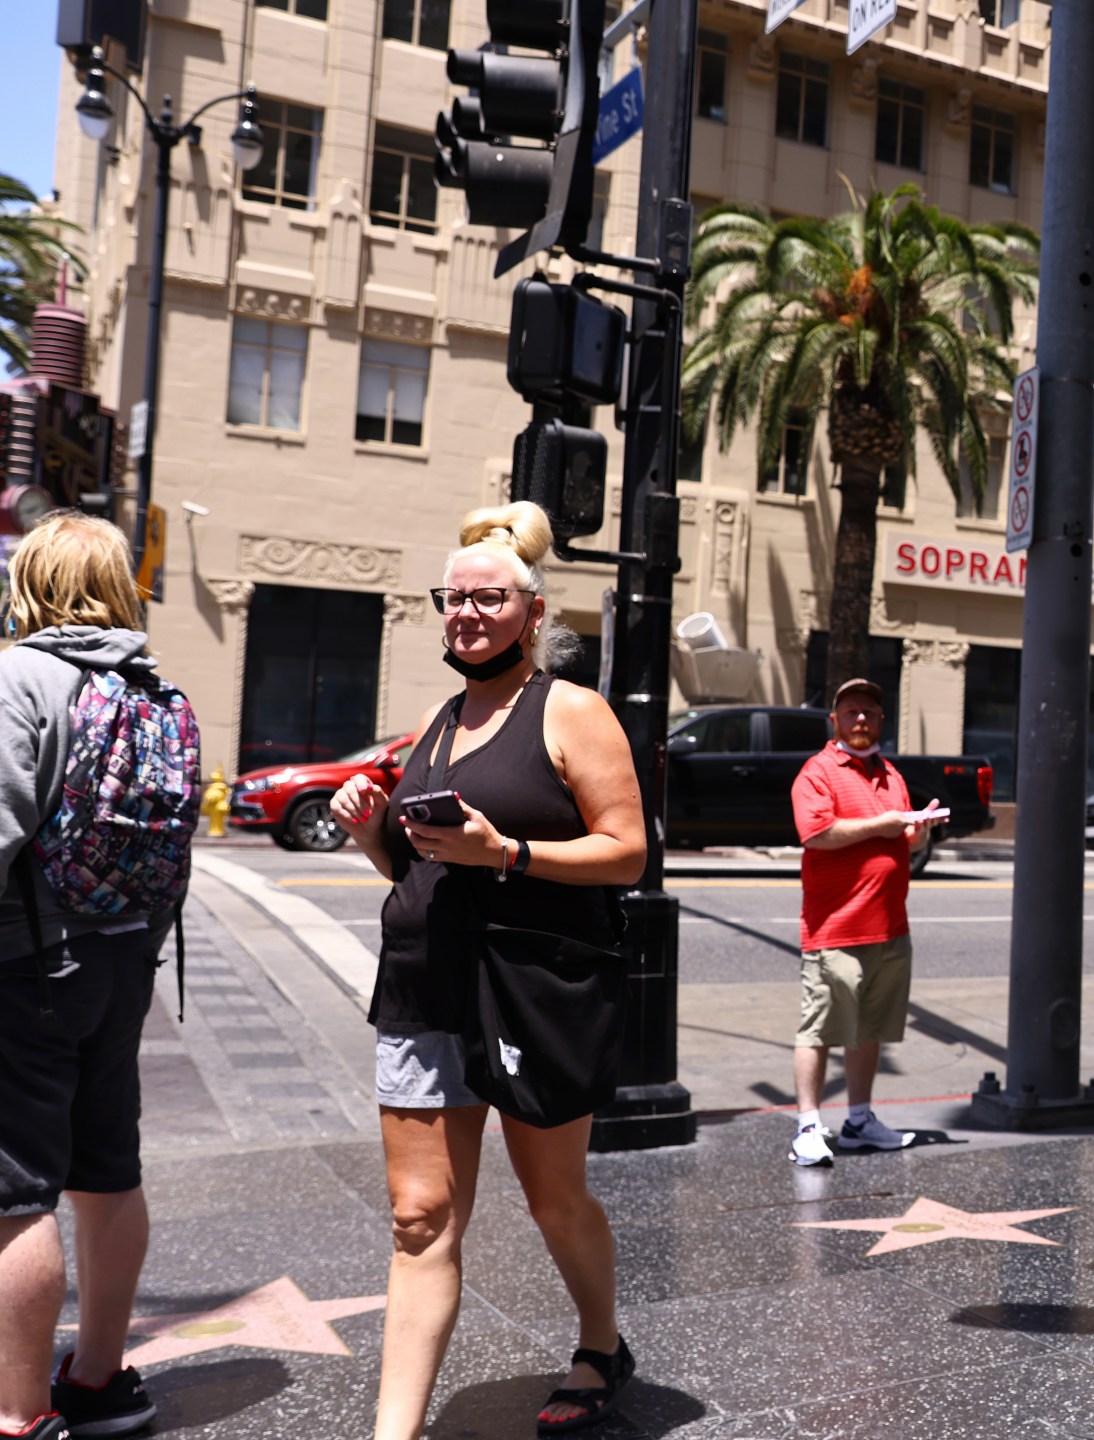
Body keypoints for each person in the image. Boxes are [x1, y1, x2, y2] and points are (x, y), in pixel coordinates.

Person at [329, 502, 646, 1439]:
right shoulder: (439, 716)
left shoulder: (571, 711)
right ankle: (396, 1432)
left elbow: (627, 853)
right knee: (420, 1217)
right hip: (427, 985)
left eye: (487, 599)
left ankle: (599, 1341)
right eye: (452, 598)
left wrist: (507, 852)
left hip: (532, 990)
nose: (465, 614)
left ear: (533, 611)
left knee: (554, 1197)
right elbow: (424, 863)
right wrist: (371, 835)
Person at [0, 512, 185, 1440]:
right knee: (107, 1172)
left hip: (28, 962)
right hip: (122, 960)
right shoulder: (158, 692)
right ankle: (101, 1382)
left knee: (15, 1190)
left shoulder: (18, 677)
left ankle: (17, 1412)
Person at [788, 677, 941, 1167]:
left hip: (890, 929)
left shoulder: (890, 774)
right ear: (834, 720)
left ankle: (859, 1121)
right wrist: (888, 822)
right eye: (851, 712)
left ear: (880, 721)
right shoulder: (817, 773)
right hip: (835, 930)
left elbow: (902, 840)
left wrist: (917, 831)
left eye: (870, 713)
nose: (861, 720)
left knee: (870, 1029)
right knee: (821, 1029)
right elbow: (817, 835)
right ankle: (809, 1126)